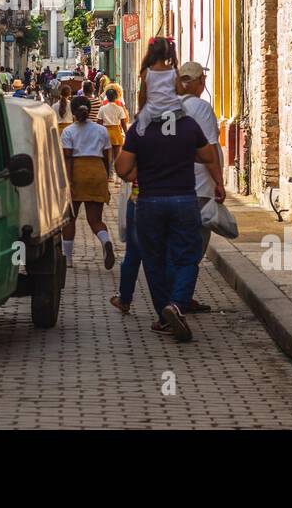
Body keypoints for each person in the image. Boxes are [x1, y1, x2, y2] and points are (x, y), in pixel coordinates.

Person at [114, 103, 223, 342]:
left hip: (149, 201)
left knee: (153, 261)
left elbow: (122, 168)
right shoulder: (188, 126)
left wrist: (138, 175)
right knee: (186, 257)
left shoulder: (139, 129)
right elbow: (208, 155)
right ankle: (176, 305)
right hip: (183, 200)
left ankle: (164, 316)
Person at [178, 62, 225, 313]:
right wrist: (219, 182)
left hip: (174, 186)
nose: (204, 84)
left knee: (177, 244)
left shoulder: (168, 107)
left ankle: (176, 295)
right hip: (199, 186)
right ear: (197, 83)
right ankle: (181, 298)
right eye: (202, 80)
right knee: (195, 246)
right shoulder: (201, 108)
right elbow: (208, 150)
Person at [61, 96, 115, 270]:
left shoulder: (68, 131)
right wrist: (106, 176)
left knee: (69, 218)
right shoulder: (101, 130)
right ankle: (106, 242)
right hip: (97, 171)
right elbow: (108, 157)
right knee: (95, 219)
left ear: (73, 112)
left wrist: (68, 182)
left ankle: (67, 259)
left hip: (77, 172)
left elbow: (67, 158)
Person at [134, 37, 185, 135]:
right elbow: (181, 92)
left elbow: (142, 96)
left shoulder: (147, 72)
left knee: (138, 133)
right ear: (167, 53)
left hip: (153, 113)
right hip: (174, 113)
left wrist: (140, 111)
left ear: (151, 51)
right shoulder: (174, 72)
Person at [99, 84, 130, 174]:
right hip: (116, 133)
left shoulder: (102, 108)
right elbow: (124, 123)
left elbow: (99, 123)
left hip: (105, 133)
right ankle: (117, 178)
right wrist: (127, 134)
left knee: (107, 158)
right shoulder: (120, 108)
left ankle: (110, 176)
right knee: (117, 158)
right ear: (117, 96)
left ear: (107, 96)